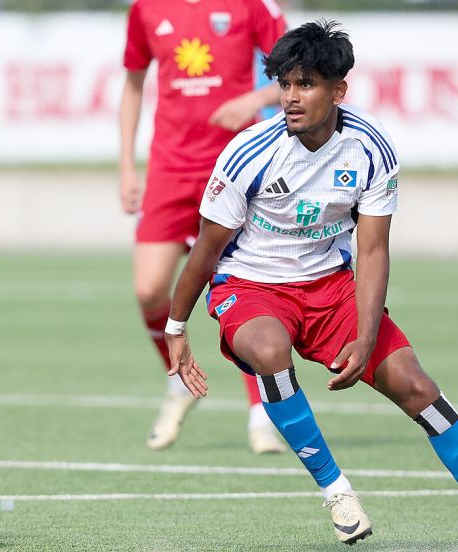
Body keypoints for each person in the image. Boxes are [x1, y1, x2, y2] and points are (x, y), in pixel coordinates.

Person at [163, 20, 458, 552]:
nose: (291, 97)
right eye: (285, 84)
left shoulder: (370, 148)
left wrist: (367, 337)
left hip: (332, 287)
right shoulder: (248, 153)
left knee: (419, 388)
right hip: (252, 285)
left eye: (306, 84)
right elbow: (206, 251)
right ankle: (337, 491)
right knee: (268, 350)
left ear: (338, 90)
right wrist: (176, 326)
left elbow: (373, 251)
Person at [120, 0, 289, 453]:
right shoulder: (146, 10)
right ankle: (178, 383)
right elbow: (133, 84)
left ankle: (261, 415)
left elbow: (301, 71)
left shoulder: (253, 5)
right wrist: (126, 167)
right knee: (149, 290)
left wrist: (255, 99)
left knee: (238, 288)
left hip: (234, 166)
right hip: (169, 171)